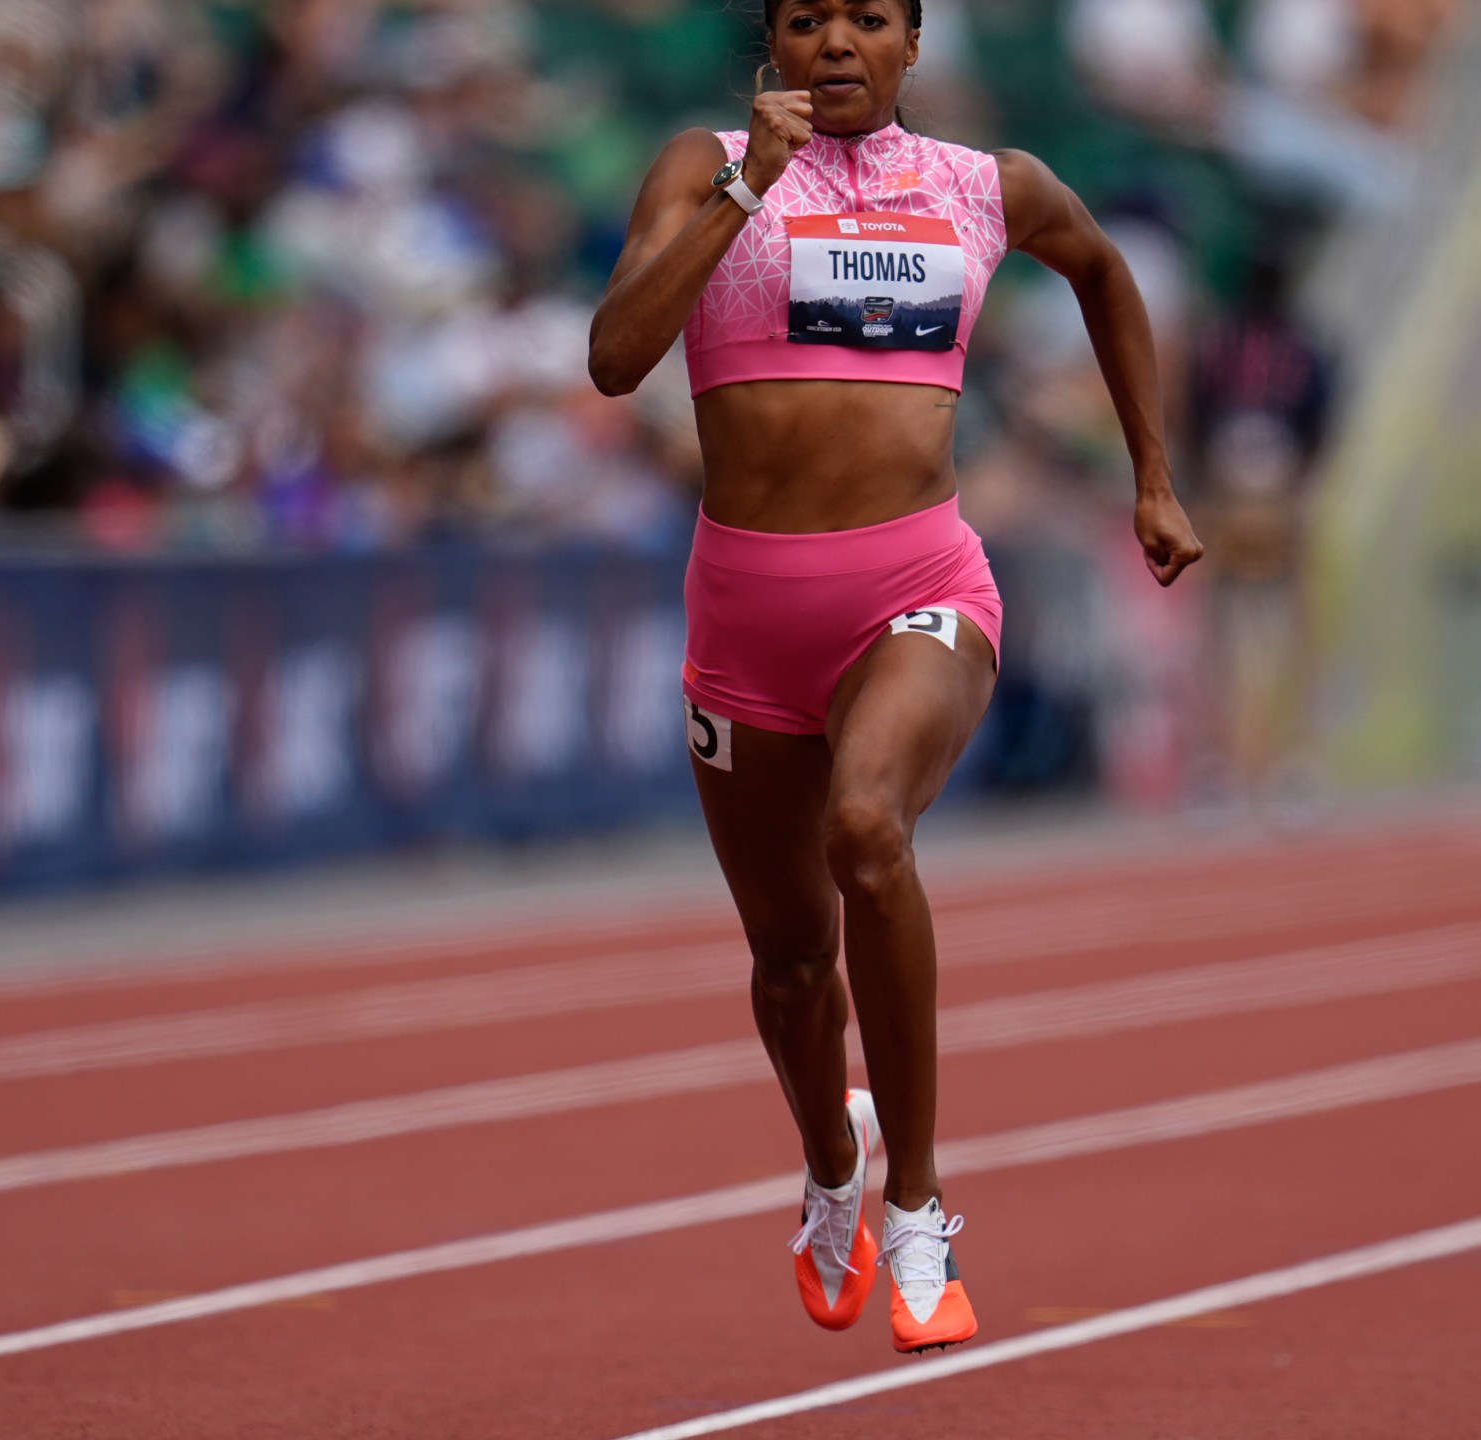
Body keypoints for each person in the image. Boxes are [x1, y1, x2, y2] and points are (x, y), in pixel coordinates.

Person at [589, 0, 1202, 1353]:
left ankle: (921, 1203)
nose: (840, 43)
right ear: (774, 43)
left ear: (916, 42)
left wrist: (1153, 478)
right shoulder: (701, 167)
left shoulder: (987, 187)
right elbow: (615, 356)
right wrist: (747, 187)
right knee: (793, 961)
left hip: (915, 586)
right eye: (809, 20)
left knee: (871, 830)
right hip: (745, 617)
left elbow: (1102, 270)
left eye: (870, 18)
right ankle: (830, 1174)